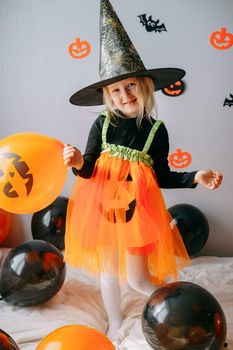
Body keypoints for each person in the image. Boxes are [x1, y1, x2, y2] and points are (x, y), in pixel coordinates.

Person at [63, 0, 223, 341]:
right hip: (103, 212)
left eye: (131, 86)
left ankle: (171, 308)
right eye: (116, 90)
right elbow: (89, 169)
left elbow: (162, 175)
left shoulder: (155, 130)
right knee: (108, 273)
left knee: (137, 278)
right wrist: (78, 161)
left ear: (145, 86)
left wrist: (195, 176)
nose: (125, 94)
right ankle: (115, 321)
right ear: (108, 95)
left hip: (137, 214)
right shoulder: (103, 125)